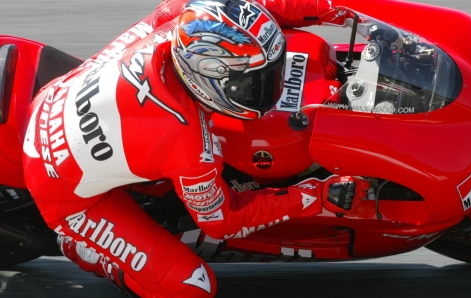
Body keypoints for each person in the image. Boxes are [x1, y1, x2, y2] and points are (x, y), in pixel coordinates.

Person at [22, 0, 367, 296]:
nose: (271, 89)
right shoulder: (187, 143)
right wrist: (312, 196)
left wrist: (338, 9)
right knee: (193, 287)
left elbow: (258, 7)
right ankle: (83, 248)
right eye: (255, 84)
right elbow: (222, 221)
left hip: (55, 97)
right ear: (209, 78)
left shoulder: (183, 15)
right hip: (64, 189)